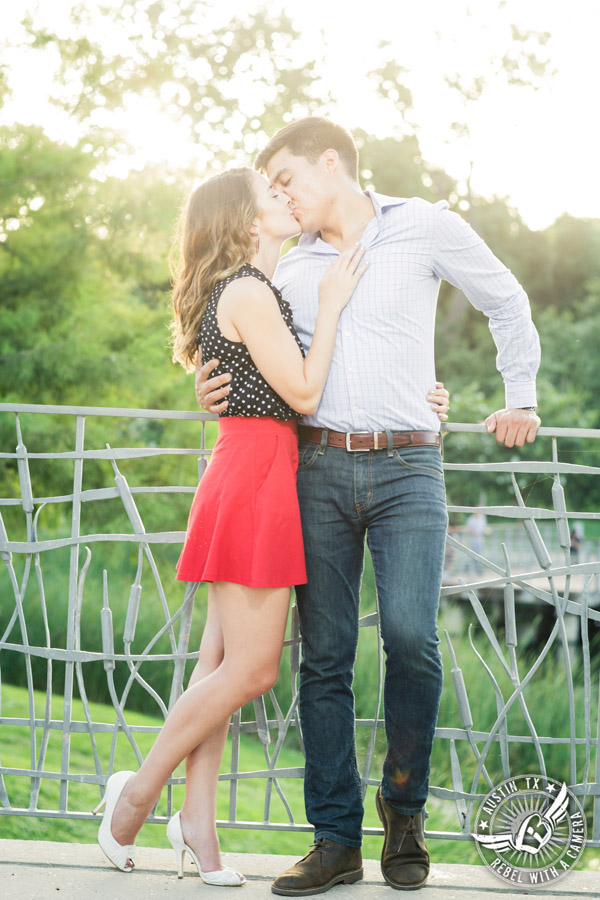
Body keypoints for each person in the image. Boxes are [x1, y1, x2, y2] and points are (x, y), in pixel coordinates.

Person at [197, 117, 541, 894]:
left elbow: (506, 299)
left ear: (331, 161)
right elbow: (247, 353)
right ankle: (334, 839)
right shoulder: (284, 266)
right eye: (271, 188)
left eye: (287, 178)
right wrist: (208, 385)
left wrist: (519, 396)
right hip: (315, 468)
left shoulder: (422, 227)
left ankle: (405, 813)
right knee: (323, 657)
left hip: (410, 467)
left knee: (413, 638)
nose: (279, 195)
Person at [92, 166, 449, 885]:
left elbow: (311, 383)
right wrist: (335, 300)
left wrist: (419, 396)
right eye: (270, 196)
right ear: (246, 222)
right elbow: (307, 389)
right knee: (252, 670)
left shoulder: (257, 290)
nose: (285, 199)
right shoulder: (253, 292)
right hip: (256, 478)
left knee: (217, 668)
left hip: (262, 472)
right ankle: (132, 796)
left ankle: (197, 823)